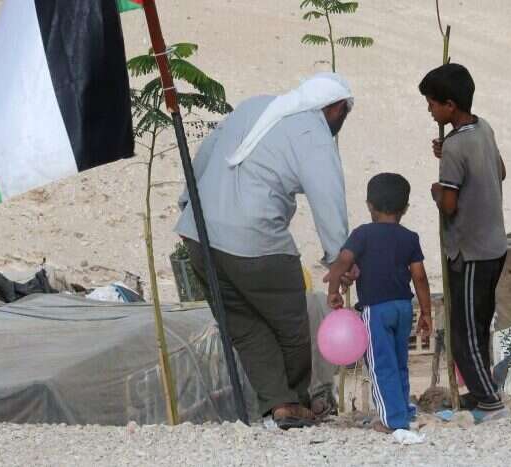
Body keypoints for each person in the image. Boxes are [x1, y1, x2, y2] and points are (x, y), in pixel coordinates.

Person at [175, 72, 356, 429]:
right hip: (253, 242)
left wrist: (187, 203)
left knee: (244, 327)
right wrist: (339, 257)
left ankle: (280, 404)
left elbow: (208, 150)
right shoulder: (313, 132)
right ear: (335, 109)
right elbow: (327, 194)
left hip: (198, 236)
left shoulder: (256, 106)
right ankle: (295, 402)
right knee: (291, 324)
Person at [419, 63, 509, 423]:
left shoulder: (456, 147)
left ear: (450, 106)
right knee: (479, 324)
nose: (429, 110)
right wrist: (452, 157)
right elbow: (499, 171)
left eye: (431, 104)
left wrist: (437, 189)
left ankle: (491, 403)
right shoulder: (482, 128)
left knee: (464, 332)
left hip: (471, 250)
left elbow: (451, 204)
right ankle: (481, 390)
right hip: (494, 245)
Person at [325, 173, 432, 432]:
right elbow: (419, 275)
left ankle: (391, 420)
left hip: (376, 309)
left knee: (380, 363)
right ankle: (402, 410)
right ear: (405, 208)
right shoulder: (410, 237)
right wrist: (426, 312)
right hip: (404, 307)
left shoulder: (362, 234)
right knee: (399, 361)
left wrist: (333, 290)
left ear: (369, 205)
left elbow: (342, 261)